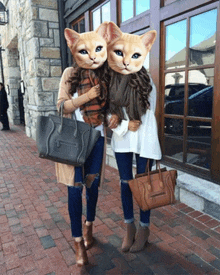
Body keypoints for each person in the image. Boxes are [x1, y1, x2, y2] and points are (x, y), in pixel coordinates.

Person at [55, 23, 117, 266]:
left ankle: (89, 226)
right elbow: (61, 106)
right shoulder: (70, 74)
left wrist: (114, 116)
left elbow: (110, 107)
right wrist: (87, 96)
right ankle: (78, 241)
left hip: (97, 138)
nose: (92, 55)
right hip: (74, 140)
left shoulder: (104, 75)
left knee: (93, 186)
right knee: (74, 191)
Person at [107, 22, 162, 253]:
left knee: (143, 185)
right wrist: (123, 126)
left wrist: (145, 142)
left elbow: (148, 118)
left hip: (142, 141)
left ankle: (144, 228)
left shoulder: (146, 82)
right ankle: (129, 227)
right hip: (122, 140)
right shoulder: (110, 81)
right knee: (124, 183)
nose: (126, 60)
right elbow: (109, 114)